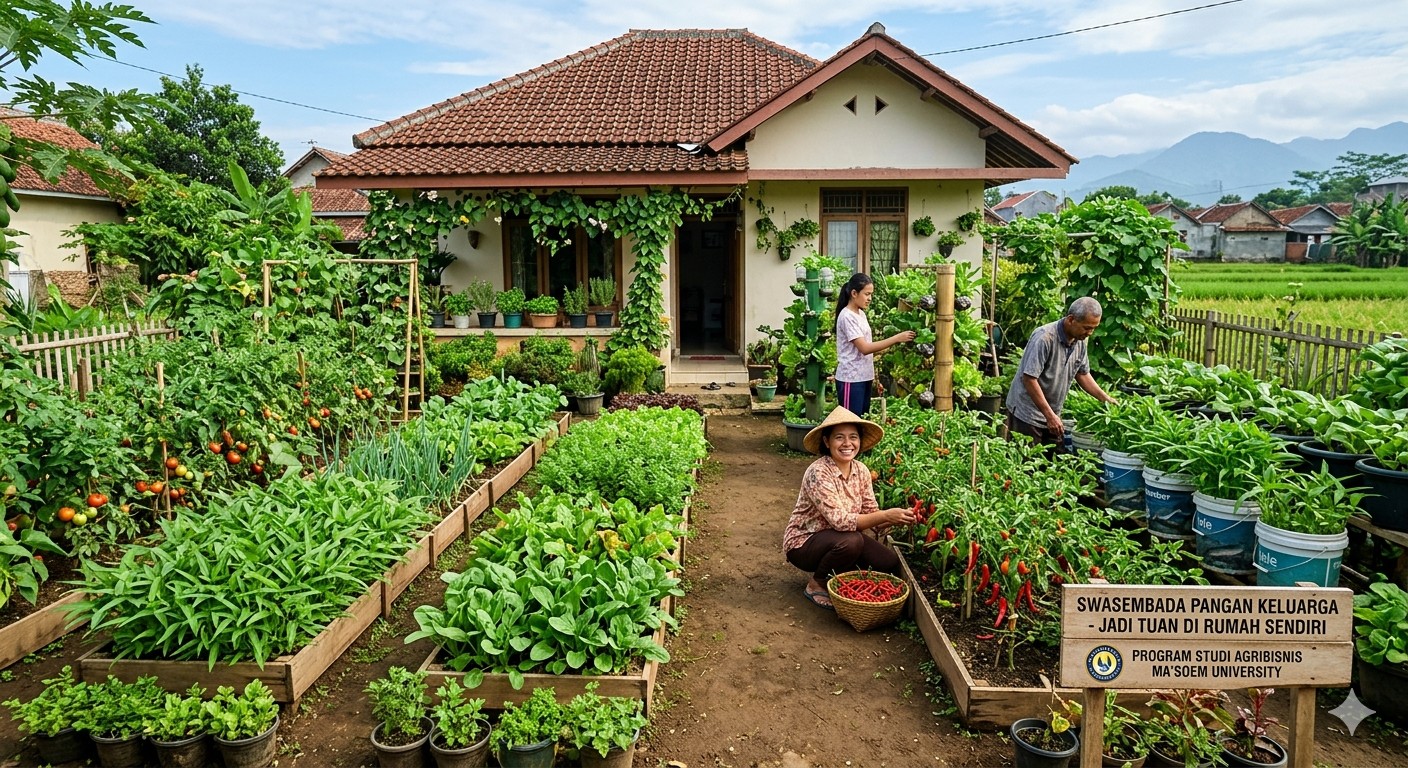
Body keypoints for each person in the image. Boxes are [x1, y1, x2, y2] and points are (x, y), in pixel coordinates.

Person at [782, 406, 919, 610]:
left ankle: (839, 575)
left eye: (853, 437)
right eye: (839, 437)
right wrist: (886, 515)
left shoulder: (861, 470)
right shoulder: (818, 472)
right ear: (827, 442)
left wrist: (897, 519)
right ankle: (817, 583)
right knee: (852, 541)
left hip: (841, 539)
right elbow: (841, 522)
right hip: (805, 543)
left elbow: (871, 512)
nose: (847, 444)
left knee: (887, 562)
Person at [1004, 296, 1118, 446]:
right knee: (1025, 463)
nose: (1090, 332)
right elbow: (1029, 379)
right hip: (1027, 413)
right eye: (1087, 327)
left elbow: (1082, 373)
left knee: (1053, 463)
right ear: (1071, 320)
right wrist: (1049, 415)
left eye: (1093, 328)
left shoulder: (1079, 342)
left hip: (1052, 414)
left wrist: (1106, 399)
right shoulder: (1044, 338)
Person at [834, 273, 916, 416]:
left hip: (864, 376)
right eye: (867, 294)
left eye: (871, 294)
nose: (870, 298)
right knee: (850, 422)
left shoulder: (861, 314)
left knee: (862, 421)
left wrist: (887, 349)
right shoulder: (847, 316)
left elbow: (867, 346)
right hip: (851, 378)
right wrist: (896, 338)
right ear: (854, 293)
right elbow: (864, 348)